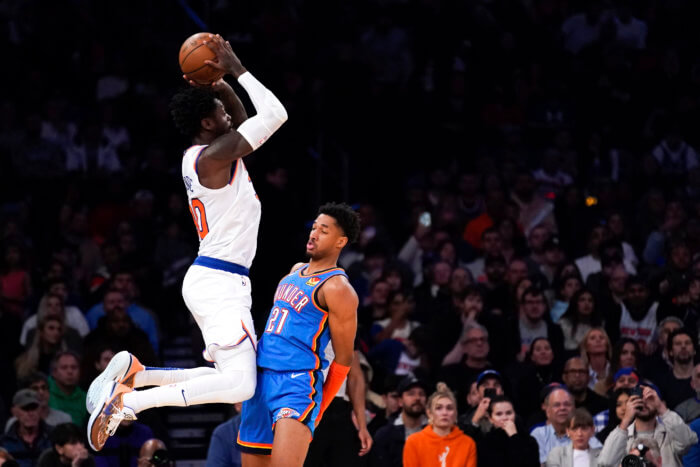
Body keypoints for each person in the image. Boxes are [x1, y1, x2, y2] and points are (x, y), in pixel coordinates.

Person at [85, 34, 288, 451]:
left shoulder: (205, 153)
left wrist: (219, 86)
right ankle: (130, 403)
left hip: (218, 280)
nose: (230, 117)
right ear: (209, 124)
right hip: (219, 283)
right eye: (220, 113)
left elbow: (239, 115)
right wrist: (234, 66)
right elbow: (274, 114)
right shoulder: (215, 157)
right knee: (239, 385)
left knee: (234, 382)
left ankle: (137, 376)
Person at [236, 202, 360, 467]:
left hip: (296, 384)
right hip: (260, 380)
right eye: (314, 227)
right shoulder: (293, 272)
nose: (313, 234)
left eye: (324, 231)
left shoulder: (338, 288)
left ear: (341, 241)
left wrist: (320, 407)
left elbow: (345, 359)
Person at [597, 381, 697, 467]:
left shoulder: (671, 433)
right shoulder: (621, 436)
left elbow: (687, 442)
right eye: (639, 398)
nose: (643, 403)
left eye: (649, 398)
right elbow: (606, 463)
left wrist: (662, 409)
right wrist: (626, 420)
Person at [402, 382, 477, 467]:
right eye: (438, 408)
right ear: (429, 413)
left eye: (449, 408)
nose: (444, 413)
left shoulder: (468, 443)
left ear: (456, 413)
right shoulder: (413, 442)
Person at [369, 376, 428, 467]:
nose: (417, 398)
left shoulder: (436, 431)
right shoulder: (385, 435)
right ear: (400, 401)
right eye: (411, 394)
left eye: (421, 394)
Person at [0, 389, 53, 467]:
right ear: (14, 412)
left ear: (40, 410)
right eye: (25, 409)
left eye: (34, 408)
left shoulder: (53, 437)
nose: (30, 413)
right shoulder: (3, 442)